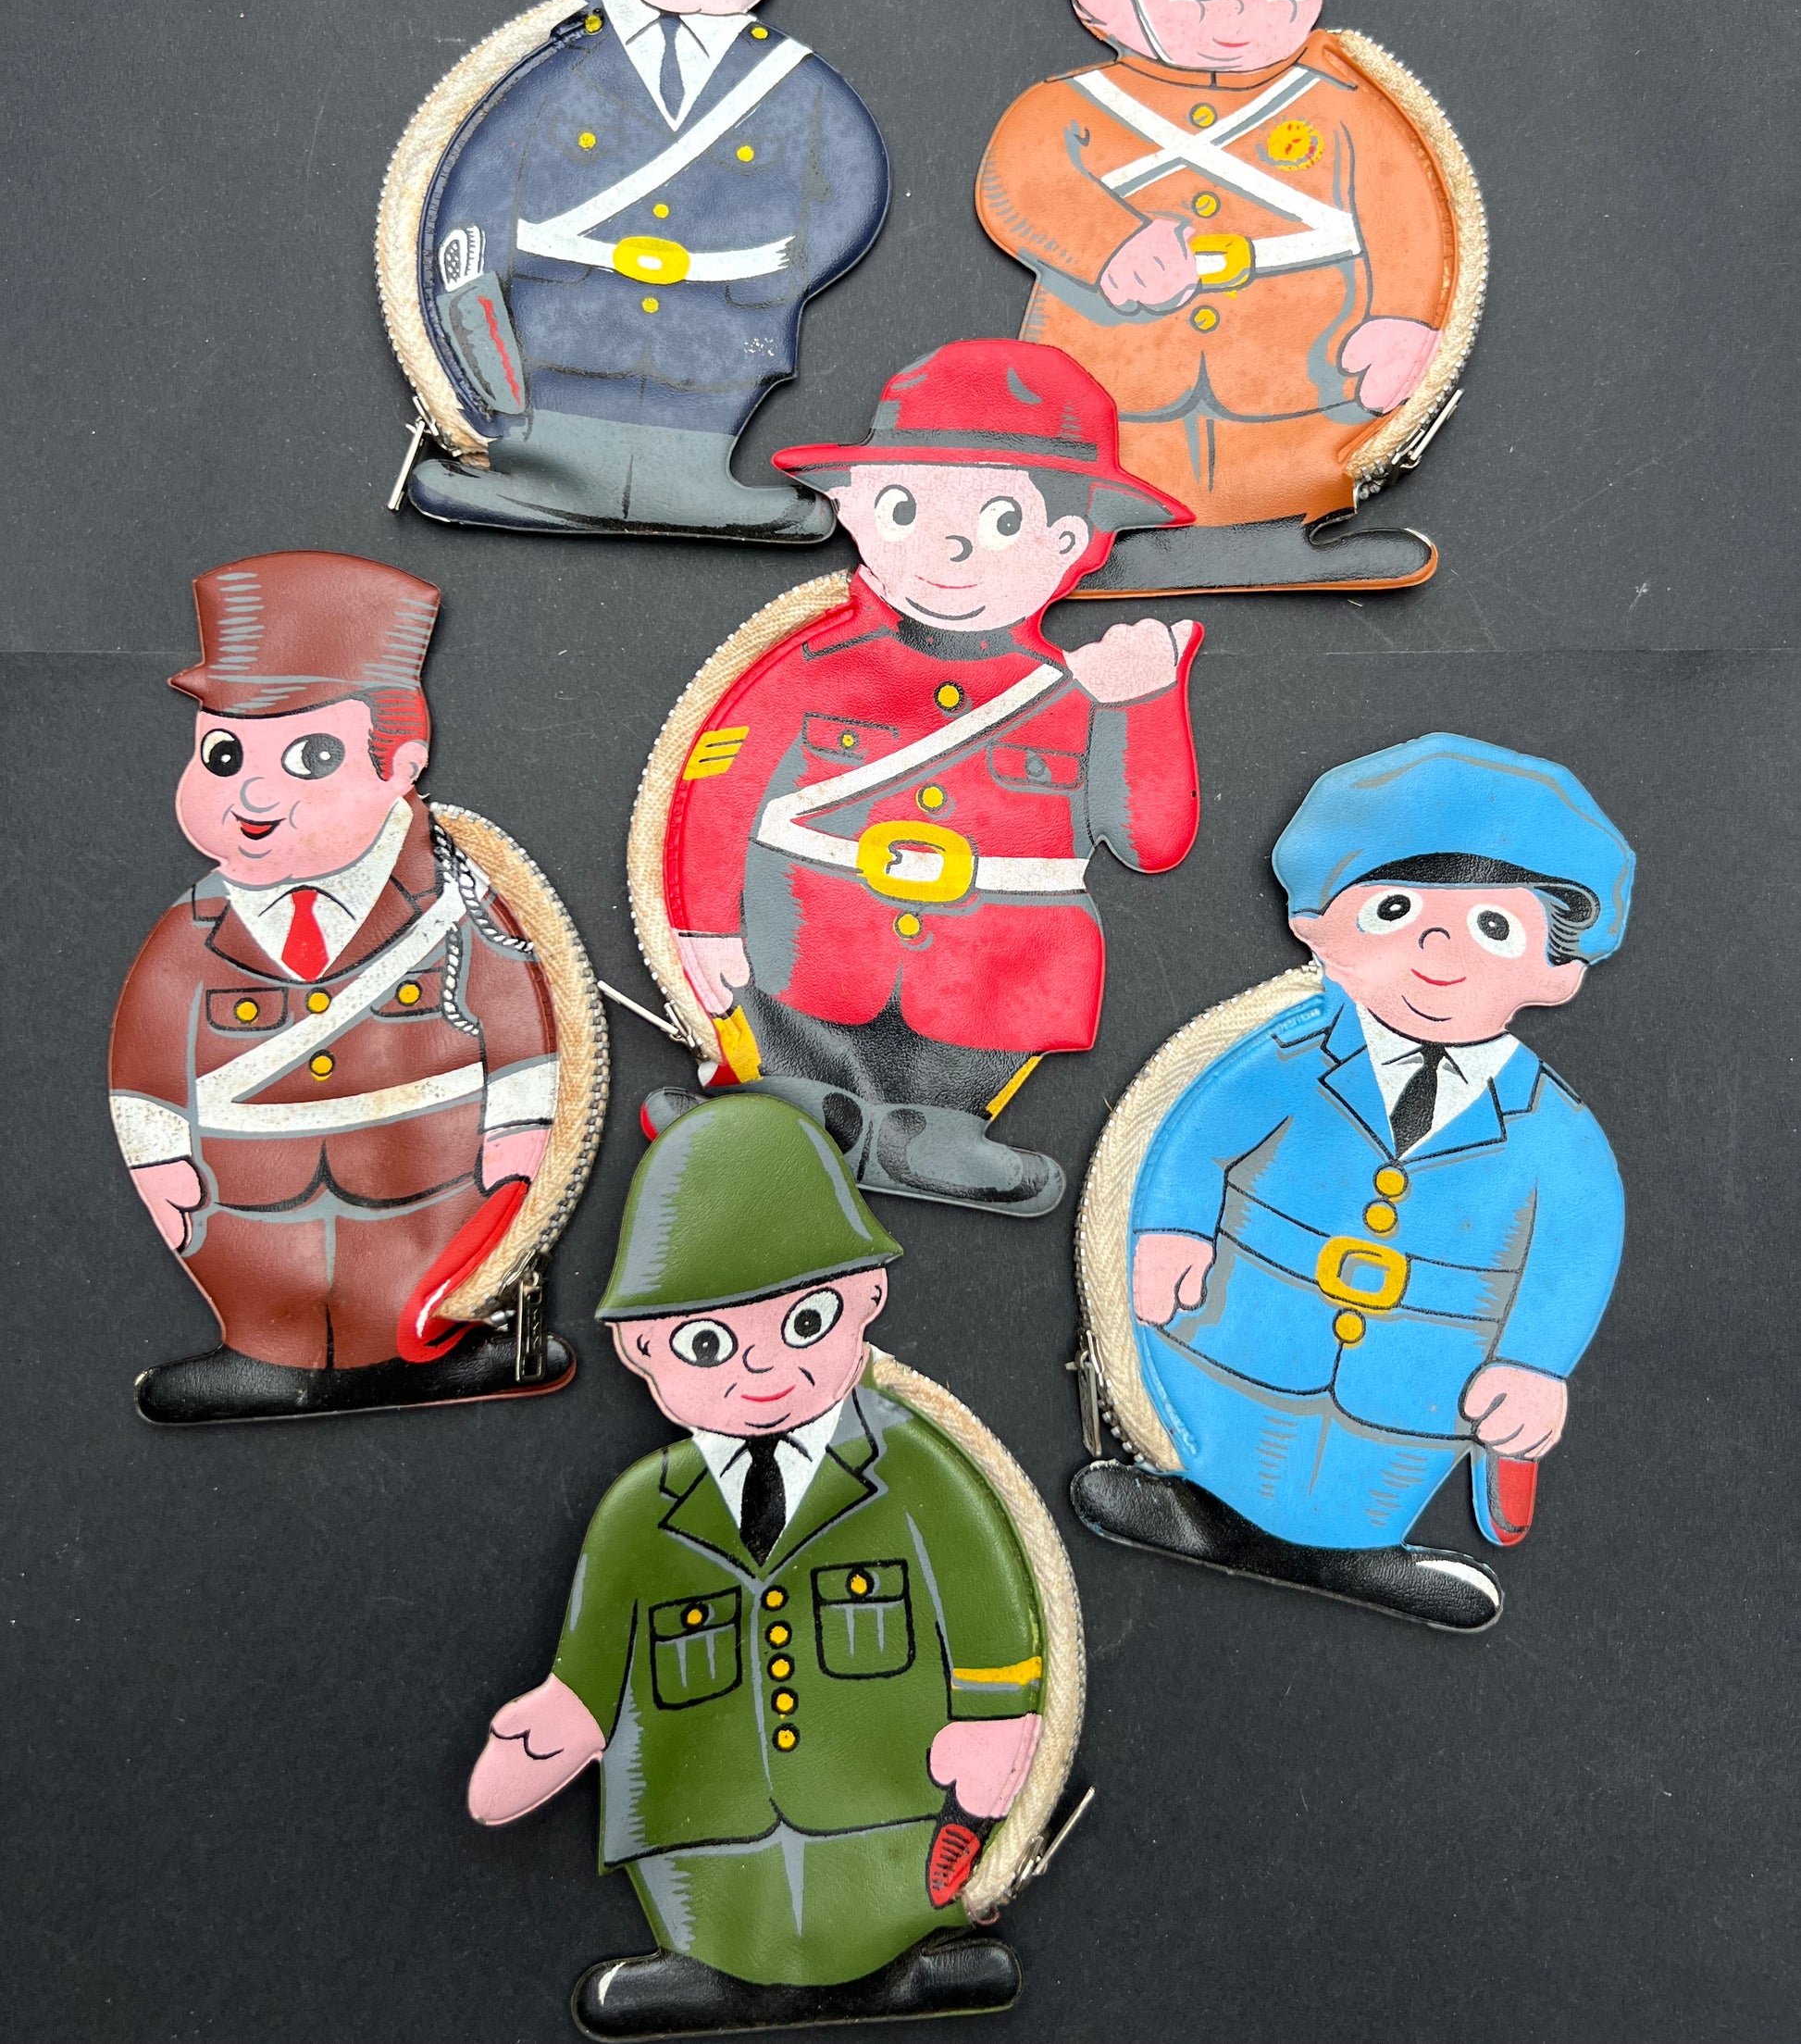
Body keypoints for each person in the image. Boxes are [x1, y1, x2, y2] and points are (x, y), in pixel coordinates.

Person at [470, 1095, 1049, 2039]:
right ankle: (706, 1969)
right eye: (708, 1344)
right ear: (638, 1346)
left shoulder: (912, 1467)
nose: (764, 1370)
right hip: (702, 1815)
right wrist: (564, 1720)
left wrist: (993, 1715)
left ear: (866, 1296)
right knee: (708, 1893)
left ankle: (907, 1957)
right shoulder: (638, 1511)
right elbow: (597, 1648)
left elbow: (984, 1588)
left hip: (886, 1801)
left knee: (887, 1897)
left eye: (805, 1321)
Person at [1074, 734, 1634, 1629]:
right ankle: (1195, 1506)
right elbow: (1198, 1138)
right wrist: (1173, 1225)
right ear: (1317, 923)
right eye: (1395, 910)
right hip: (1243, 1336)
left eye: (1496, 927)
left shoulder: (1557, 1134)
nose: (1439, 950)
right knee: (1237, 1439)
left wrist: (1534, 1364)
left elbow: (1573, 1244)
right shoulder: (1280, 1055)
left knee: (1371, 1473)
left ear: (1558, 969)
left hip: (1417, 1386)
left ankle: (1363, 1552)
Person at [647, 337, 1204, 1215]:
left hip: (990, 978)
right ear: (854, 508)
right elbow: (720, 791)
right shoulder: (806, 667)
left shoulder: (1080, 695)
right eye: (904, 508)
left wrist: (1146, 703)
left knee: (950, 1086)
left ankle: (933, 1138)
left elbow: (1149, 840)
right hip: (809, 947)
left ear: (1074, 540)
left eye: (1002, 521)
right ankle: (778, 1113)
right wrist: (705, 922)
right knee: (790, 1067)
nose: (948, 549)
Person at [108, 552, 571, 1421]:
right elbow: (149, 1041)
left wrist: (520, 1128)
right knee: (265, 1286)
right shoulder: (193, 929)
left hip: (430, 1182)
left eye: (312, 755)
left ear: (402, 762)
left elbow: (515, 1008)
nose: (252, 791)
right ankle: (263, 1357)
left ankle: (442, 1347)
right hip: (247, 1200)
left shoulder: (456, 900)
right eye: (223, 753)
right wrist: (160, 1150)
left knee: (422, 1286)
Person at [400, 0, 888, 540]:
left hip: (721, 325)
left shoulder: (794, 85)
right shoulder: (545, 69)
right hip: (561, 322)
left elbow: (849, 184)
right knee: (561, 376)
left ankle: (694, 481)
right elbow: (476, 197)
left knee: (704, 377)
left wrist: (779, 269)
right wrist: (476, 345)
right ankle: (541, 473)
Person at [977, 0, 1469, 594]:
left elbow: (1402, 211)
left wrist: (1406, 319)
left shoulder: (1344, 101)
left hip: (1304, 371)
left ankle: (1284, 539)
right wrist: (1109, 246)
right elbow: (1023, 183)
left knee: (1289, 454)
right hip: (1119, 372)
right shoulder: (1066, 106)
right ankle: (1113, 548)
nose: (1243, 18)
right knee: (1122, 448)